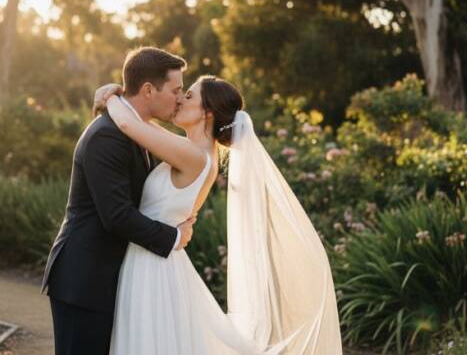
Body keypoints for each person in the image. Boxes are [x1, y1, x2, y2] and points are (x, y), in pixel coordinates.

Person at [94, 71, 343, 355]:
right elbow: (138, 124)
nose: (179, 99)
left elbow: (127, 124)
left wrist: (110, 96)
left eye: (189, 96)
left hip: (151, 265)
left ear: (207, 112)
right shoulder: (194, 151)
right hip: (156, 259)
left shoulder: (195, 157)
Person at [41, 46, 197, 355]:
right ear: (149, 90)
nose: (180, 98)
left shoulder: (135, 131)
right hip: (83, 279)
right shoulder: (107, 136)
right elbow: (116, 215)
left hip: (109, 277)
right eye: (176, 90)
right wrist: (174, 237)